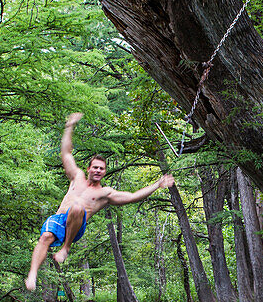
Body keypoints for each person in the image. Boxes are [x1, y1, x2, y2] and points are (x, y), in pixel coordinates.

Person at [24, 111, 175, 291]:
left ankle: (65, 248)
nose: (98, 170)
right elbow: (66, 153)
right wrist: (69, 126)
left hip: (77, 225)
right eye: (95, 167)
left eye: (101, 169)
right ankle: (32, 275)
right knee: (45, 237)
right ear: (89, 168)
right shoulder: (76, 177)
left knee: (78, 207)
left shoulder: (105, 193)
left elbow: (133, 196)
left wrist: (157, 184)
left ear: (104, 172)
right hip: (59, 219)